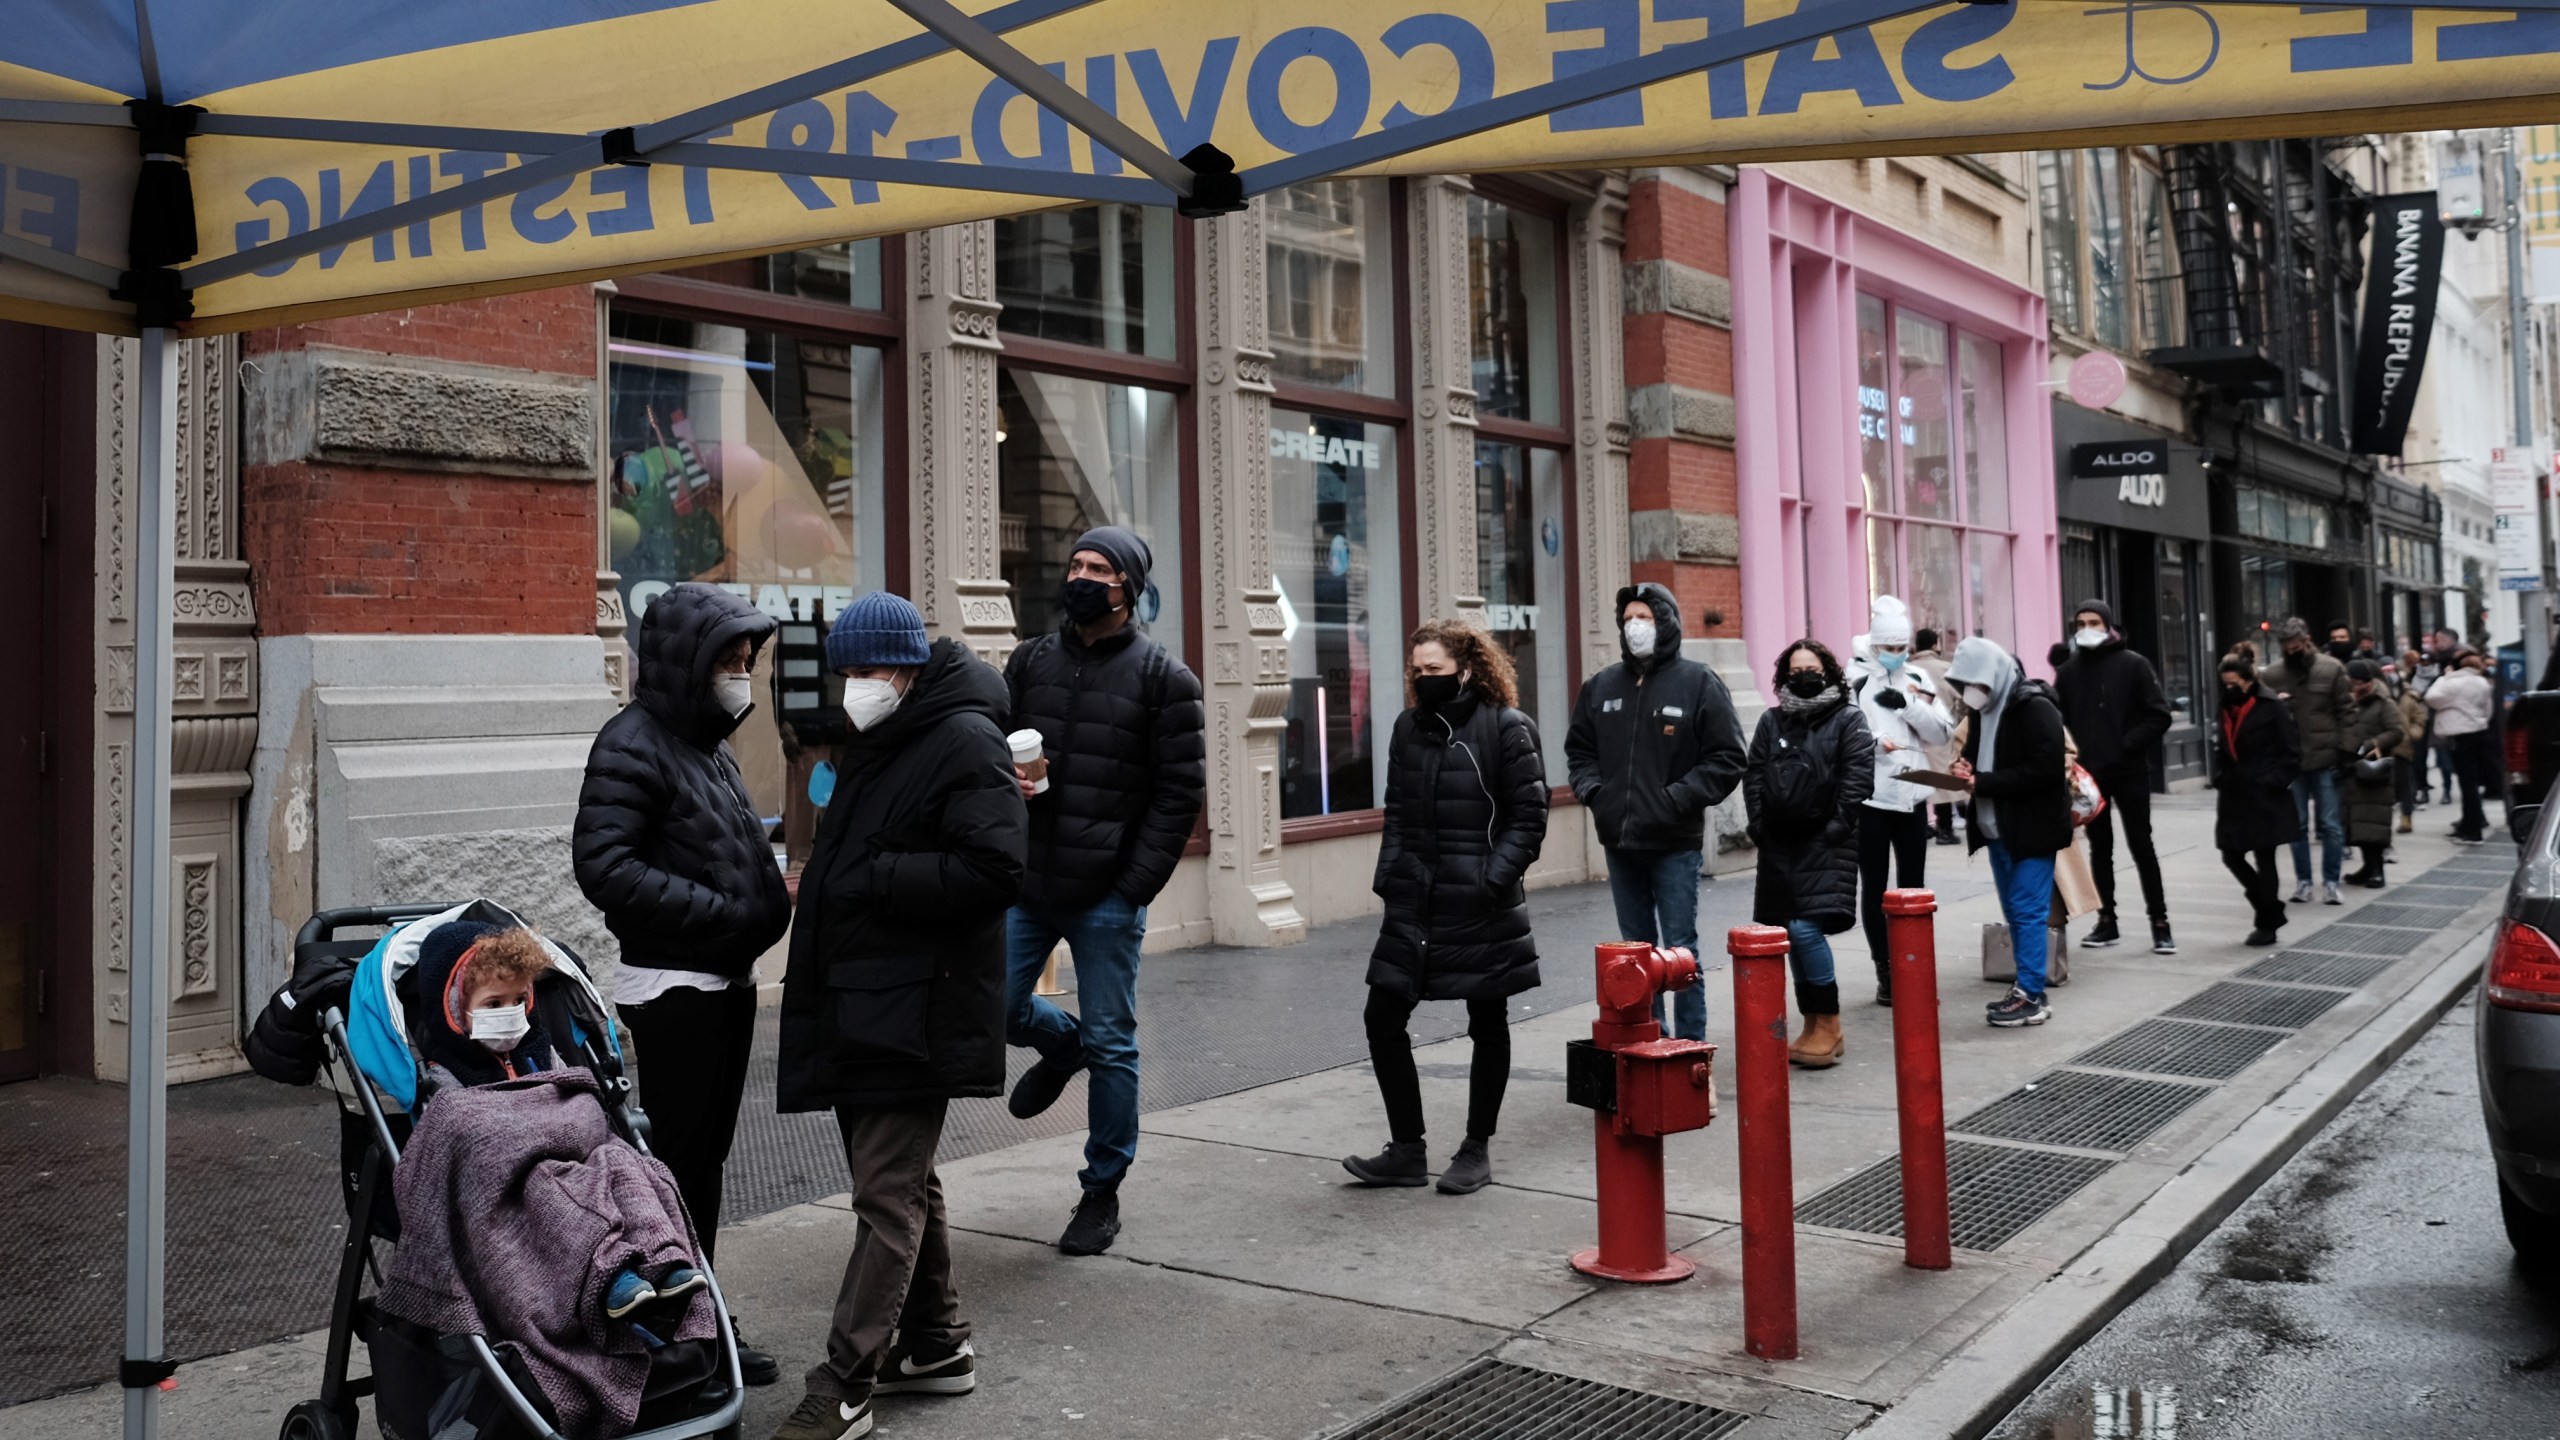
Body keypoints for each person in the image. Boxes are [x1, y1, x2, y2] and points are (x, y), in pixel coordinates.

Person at [772, 593, 1028, 1440]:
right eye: (843, 671)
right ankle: (937, 1343)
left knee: (885, 1195)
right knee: (904, 1182)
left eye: (865, 670)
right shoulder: (888, 736)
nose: (853, 686)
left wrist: (875, 877)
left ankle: (846, 1382)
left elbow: (994, 869)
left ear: (907, 666)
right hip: (871, 995)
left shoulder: (961, 739)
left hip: (914, 1004)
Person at [574, 582, 792, 1386]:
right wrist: (721, 911)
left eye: (746, 659)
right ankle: (682, 1331)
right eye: (728, 660)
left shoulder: (707, 744)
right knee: (677, 1168)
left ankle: (699, 1317)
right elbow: (605, 865)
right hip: (674, 988)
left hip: (720, 982)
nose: (742, 675)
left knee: (702, 1167)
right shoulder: (632, 742)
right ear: (686, 662)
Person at [1000, 526, 1206, 1257]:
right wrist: (1011, 782)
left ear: (1129, 588)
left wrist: (1132, 887)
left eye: (1100, 568)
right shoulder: (1028, 661)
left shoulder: (1164, 679)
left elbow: (1180, 794)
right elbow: (993, 746)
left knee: (1115, 1042)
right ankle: (1062, 1046)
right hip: (1027, 880)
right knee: (989, 1004)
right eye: (1077, 563)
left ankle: (1101, 1190)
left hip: (1106, 895)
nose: (1082, 577)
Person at [398, 920, 707, 1344]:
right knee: (547, 1182)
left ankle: (663, 1258)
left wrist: (571, 1124)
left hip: (579, 1164)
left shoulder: (540, 1053)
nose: (508, 1013)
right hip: (517, 1188)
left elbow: (580, 1103)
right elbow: (464, 1136)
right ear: (455, 1010)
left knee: (624, 1160)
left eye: (517, 1000)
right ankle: (609, 1274)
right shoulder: (446, 1076)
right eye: (492, 1005)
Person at [1345, 620, 1549, 1194]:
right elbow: (1397, 811)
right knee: (1382, 1018)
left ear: (1466, 669)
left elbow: (1528, 818)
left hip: (1480, 900)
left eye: (1434, 669)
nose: (1424, 679)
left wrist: (1493, 878)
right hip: (1415, 897)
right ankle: (1407, 1149)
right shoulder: (1408, 728)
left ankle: (1475, 1148)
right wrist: (1391, 875)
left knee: (1487, 1020)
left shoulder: (1507, 729)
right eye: (1417, 671)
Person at [1563, 583, 1747, 1041]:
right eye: (1628, 619)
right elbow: (1580, 752)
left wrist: (1674, 799)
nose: (1635, 627)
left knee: (1680, 951)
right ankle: (1650, 1042)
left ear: (1665, 623)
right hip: (1620, 842)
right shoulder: (1601, 686)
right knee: (1635, 953)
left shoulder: (1698, 682)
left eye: (1644, 617)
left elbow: (1727, 759)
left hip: (1673, 844)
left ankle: (1690, 1048)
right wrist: (1595, 794)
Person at [1742, 640, 1873, 1066]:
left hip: (1825, 842)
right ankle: (1812, 1024)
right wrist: (1760, 826)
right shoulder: (1772, 720)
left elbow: (1858, 779)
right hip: (1779, 842)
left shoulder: (1849, 719)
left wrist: (1835, 827)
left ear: (1829, 671)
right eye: (1795, 668)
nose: (1803, 674)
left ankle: (1830, 1022)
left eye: (1811, 667)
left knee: (1804, 929)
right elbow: (1755, 774)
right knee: (1788, 933)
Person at [1947, 637, 2072, 1028]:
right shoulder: (1985, 711)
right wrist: (1965, 768)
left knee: (2027, 910)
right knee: (2017, 912)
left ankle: (2031, 993)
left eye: (1978, 684)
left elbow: (2046, 769)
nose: (1972, 693)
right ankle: (2028, 988)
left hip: (2031, 829)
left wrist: (1983, 782)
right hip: (1998, 828)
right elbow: (1982, 755)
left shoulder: (2033, 707)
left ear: (1996, 676)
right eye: (1967, 685)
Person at [2054, 599, 2177, 955]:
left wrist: (2125, 745)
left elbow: (2159, 715)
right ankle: (2106, 920)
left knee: (2143, 846)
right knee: (2100, 850)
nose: (2087, 629)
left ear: (2108, 625)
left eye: (2094, 622)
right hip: (2091, 778)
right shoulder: (2069, 671)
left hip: (2130, 771)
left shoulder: (2134, 665)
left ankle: (2160, 922)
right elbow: (2060, 721)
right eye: (2080, 623)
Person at [1850, 597, 1952, 1005]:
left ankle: (1913, 967)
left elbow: (1942, 732)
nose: (1895, 655)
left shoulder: (1917, 679)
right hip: (1872, 800)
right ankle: (1886, 971)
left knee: (1913, 890)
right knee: (1874, 889)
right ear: (1875, 646)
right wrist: (1875, 743)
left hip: (1912, 798)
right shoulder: (1854, 680)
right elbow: (1846, 734)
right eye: (1888, 648)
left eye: (1900, 647)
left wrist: (1908, 706)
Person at [2214, 653, 2304, 946]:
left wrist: (2272, 781)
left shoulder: (2272, 706)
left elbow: (2292, 753)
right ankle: (2270, 908)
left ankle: (2266, 924)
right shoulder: (2226, 706)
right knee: (2231, 854)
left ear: (2250, 679)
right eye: (2225, 684)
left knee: (2265, 858)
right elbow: (2223, 748)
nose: (2230, 688)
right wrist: (2220, 775)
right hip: (2234, 795)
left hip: (2265, 796)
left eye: (2234, 683)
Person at [2269, 617, 2354, 905]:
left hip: (2326, 756)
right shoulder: (2274, 675)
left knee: (2330, 824)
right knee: (2298, 825)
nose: (2292, 651)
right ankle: (2304, 881)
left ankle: (2331, 881)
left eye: (2296, 646)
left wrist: (2346, 751)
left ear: (2307, 641)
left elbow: (2346, 712)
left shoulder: (2331, 669)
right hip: (2293, 761)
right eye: (2287, 647)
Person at [2342, 659, 2406, 889]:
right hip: (2352, 771)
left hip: (2375, 772)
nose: (2359, 687)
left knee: (2374, 823)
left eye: (2362, 682)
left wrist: (2373, 743)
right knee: (2358, 823)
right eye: (2354, 682)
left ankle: (2377, 869)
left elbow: (2397, 731)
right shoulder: (2346, 702)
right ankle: (2367, 867)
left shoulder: (2383, 703)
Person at [2426, 647, 2497, 844]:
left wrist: (2445, 677)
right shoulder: (2481, 682)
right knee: (2470, 781)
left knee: (2467, 783)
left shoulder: (2452, 683)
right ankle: (2471, 822)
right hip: (2477, 732)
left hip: (2458, 735)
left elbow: (2431, 697)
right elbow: (2488, 710)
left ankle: (2472, 830)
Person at [1911, 627, 1963, 845]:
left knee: (1917, 779)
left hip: (1914, 733)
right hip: (1941, 731)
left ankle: (1921, 827)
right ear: (1935, 645)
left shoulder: (1908, 668)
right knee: (1942, 782)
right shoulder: (1945, 668)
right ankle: (1945, 828)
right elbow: (1961, 699)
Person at [2394, 650, 2429, 830]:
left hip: (2402, 746)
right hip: (2382, 747)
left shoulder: (2408, 697)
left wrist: (2412, 734)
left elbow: (2419, 718)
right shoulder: (2380, 696)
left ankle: (2406, 817)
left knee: (2405, 783)